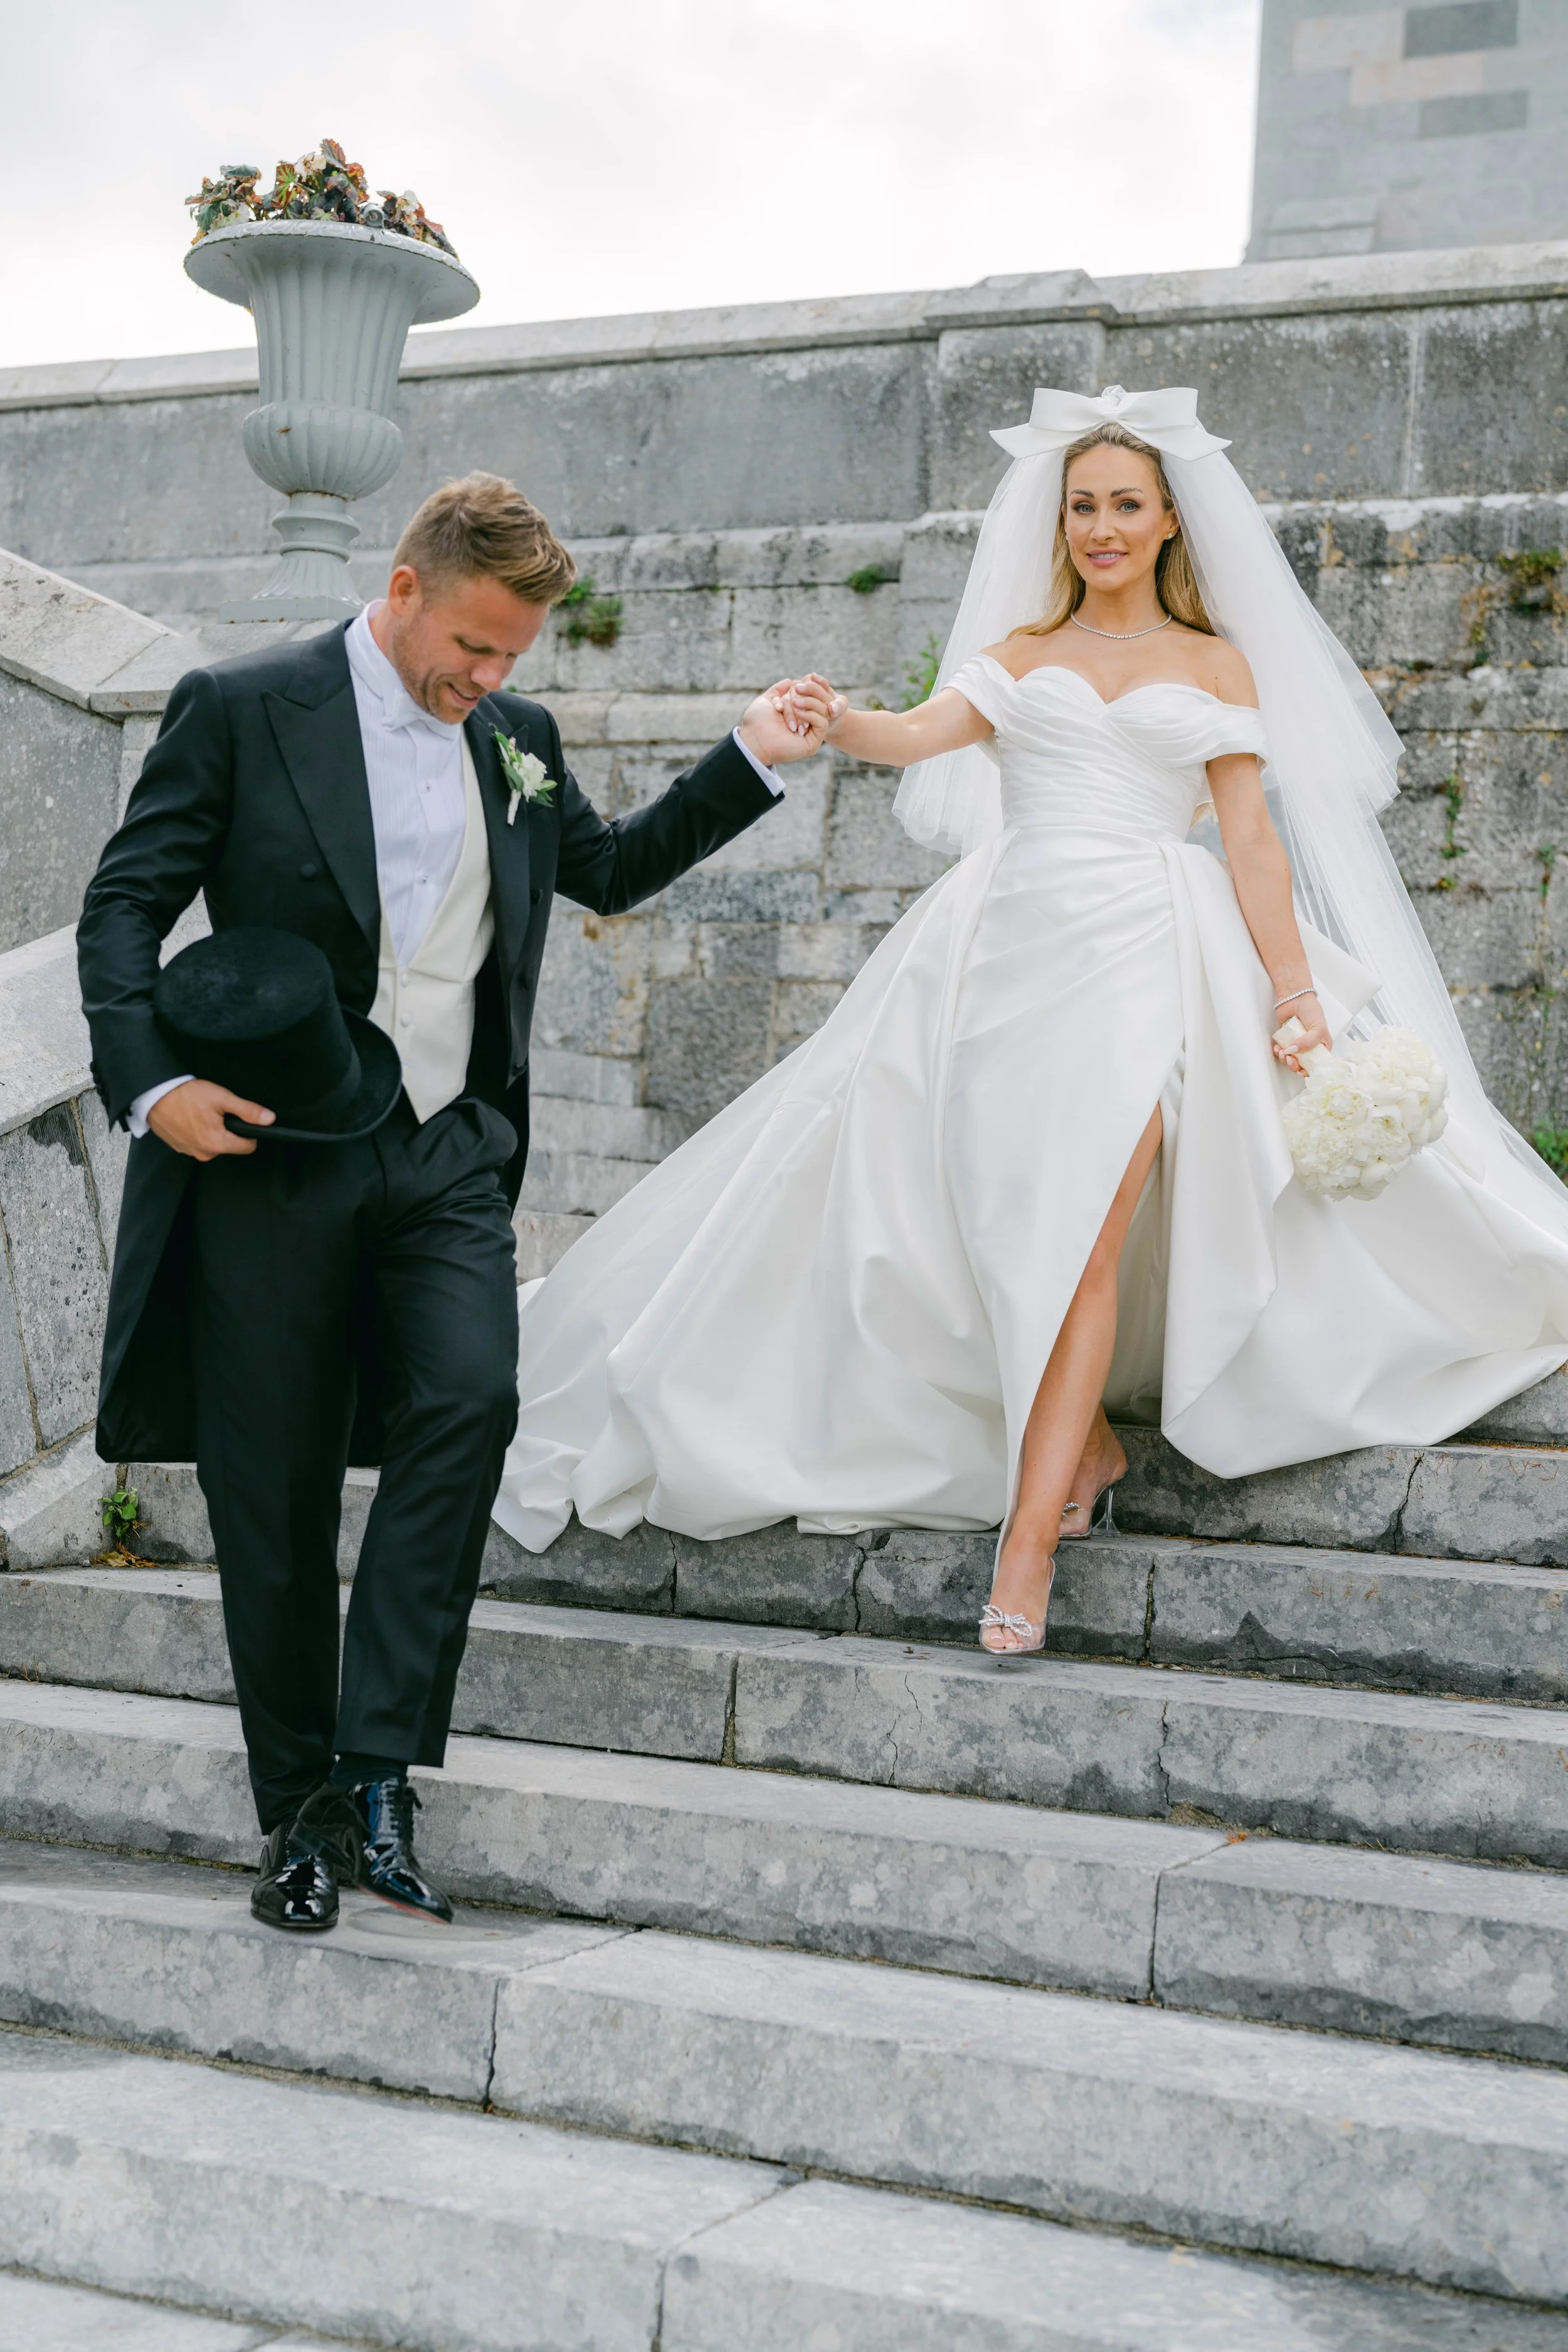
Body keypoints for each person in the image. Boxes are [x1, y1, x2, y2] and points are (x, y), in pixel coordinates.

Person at [491, 385, 1568, 1656]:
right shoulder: (1020, 649)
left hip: (1147, 957)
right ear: (1058, 522)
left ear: (1167, 519)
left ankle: (1025, 1538)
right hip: (1001, 951)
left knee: (1087, 1229)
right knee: (1004, 1223)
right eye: (1081, 506)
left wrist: (1290, 994)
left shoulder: (1214, 664)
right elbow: (913, 737)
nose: (1100, 526)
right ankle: (1091, 1445)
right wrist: (823, 720)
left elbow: (1250, 843)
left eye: (1123, 504)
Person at [77, 470, 827, 1931]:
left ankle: (377, 1771)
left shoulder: (517, 741)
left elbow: (600, 869)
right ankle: (294, 1811)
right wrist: (150, 1082)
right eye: (471, 648)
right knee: (275, 1496)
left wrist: (746, 755)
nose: (484, 681)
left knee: (473, 1397)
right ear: (405, 586)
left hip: (445, 1153)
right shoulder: (239, 705)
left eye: (510, 660)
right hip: (272, 1152)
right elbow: (125, 904)